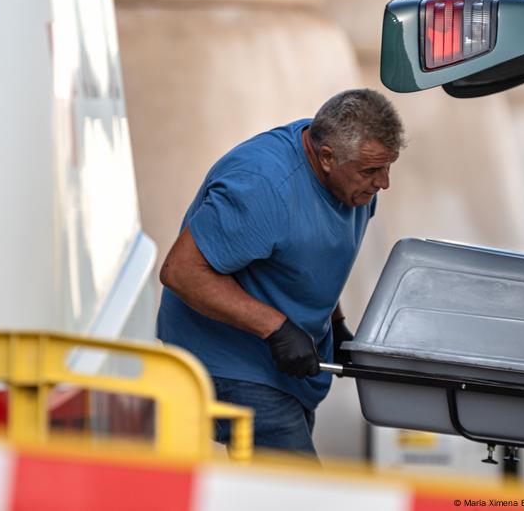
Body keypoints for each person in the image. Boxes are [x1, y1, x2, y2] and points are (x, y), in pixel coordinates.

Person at [157, 88, 405, 456]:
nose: (383, 182)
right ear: (326, 158)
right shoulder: (264, 187)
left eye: (388, 167)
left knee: (269, 492)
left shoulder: (354, 182)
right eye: (371, 170)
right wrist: (276, 328)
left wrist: (334, 322)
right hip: (229, 360)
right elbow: (181, 271)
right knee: (297, 493)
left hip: (287, 368)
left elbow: (308, 253)